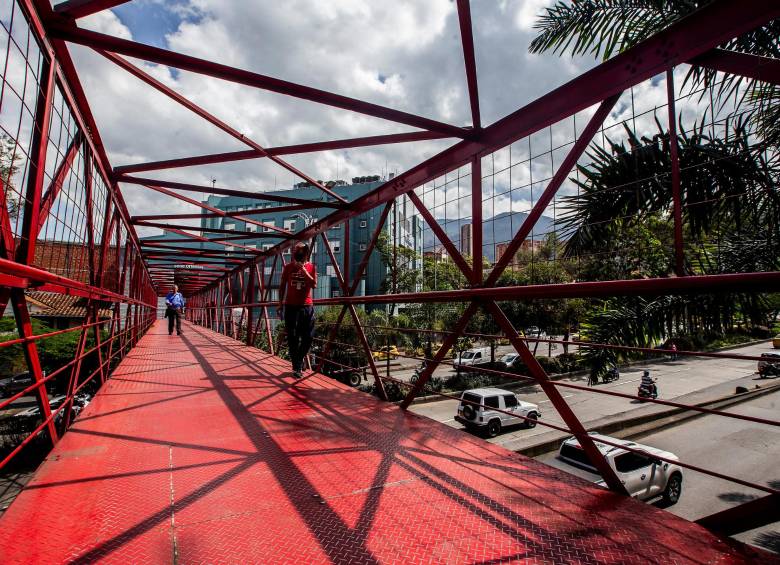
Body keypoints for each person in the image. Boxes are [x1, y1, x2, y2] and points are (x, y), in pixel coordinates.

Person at [278, 242, 317, 378]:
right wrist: (279, 304)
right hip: (291, 306)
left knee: (309, 337)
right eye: (295, 250)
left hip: (307, 306)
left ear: (305, 252)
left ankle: (298, 360)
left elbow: (313, 284)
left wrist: (303, 270)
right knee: (293, 338)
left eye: (299, 250)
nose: (296, 253)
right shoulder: (288, 267)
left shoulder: (311, 267)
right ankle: (297, 367)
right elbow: (282, 286)